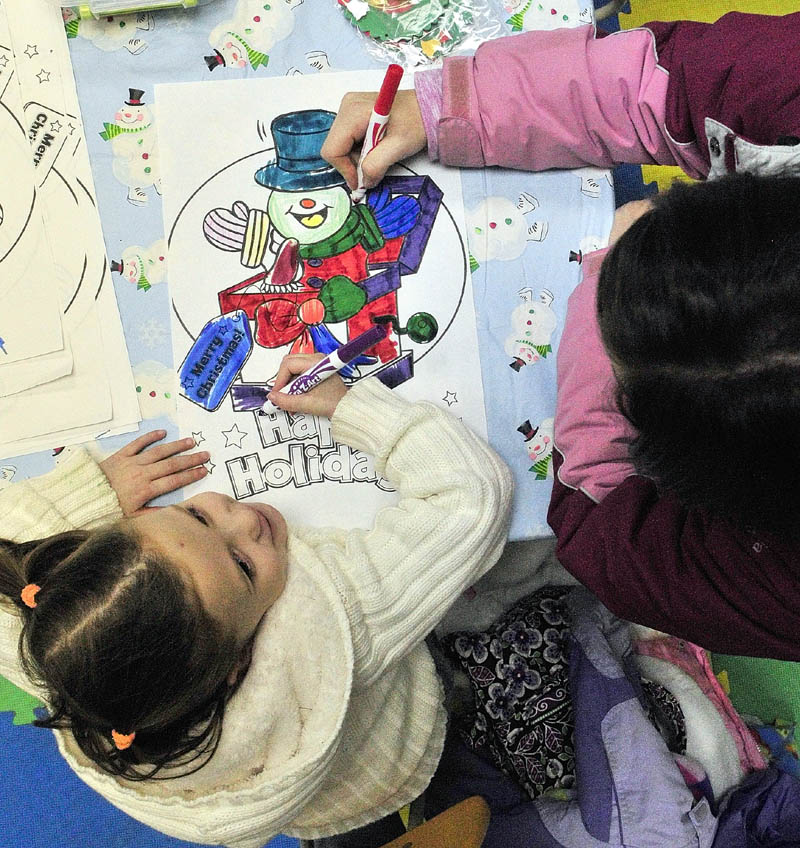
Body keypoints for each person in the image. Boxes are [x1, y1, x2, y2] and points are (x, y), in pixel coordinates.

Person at [321, 11, 800, 661]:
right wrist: (453, 110)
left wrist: (602, 291)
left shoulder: (774, 585)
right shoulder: (780, 79)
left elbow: (611, 543)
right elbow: (657, 82)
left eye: (628, 397)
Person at [0, 354, 511, 846]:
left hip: (291, 793)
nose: (242, 518)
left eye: (194, 518)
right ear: (240, 662)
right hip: (387, 739)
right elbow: (471, 495)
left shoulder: (63, 641)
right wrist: (352, 407)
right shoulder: (334, 623)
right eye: (243, 567)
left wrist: (94, 490)